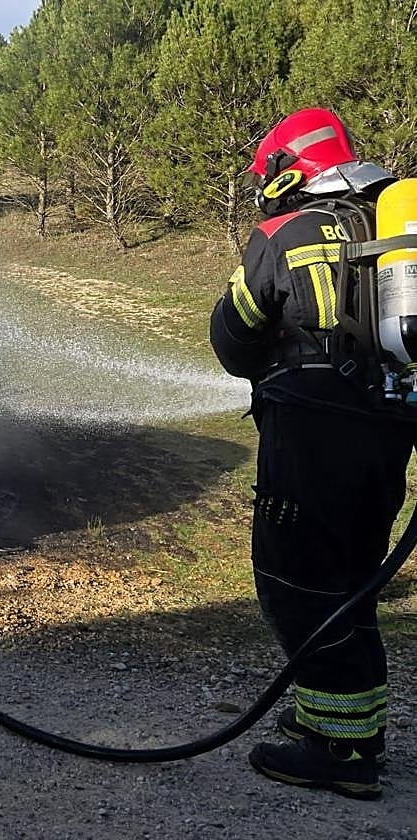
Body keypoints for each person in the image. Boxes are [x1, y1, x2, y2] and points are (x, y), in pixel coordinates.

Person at [210, 107, 412, 800]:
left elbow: (234, 336)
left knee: (295, 579)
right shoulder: (391, 226)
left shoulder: (283, 232)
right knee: (352, 579)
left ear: (288, 169)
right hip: (387, 438)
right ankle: (342, 725)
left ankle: (343, 755)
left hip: (311, 436)